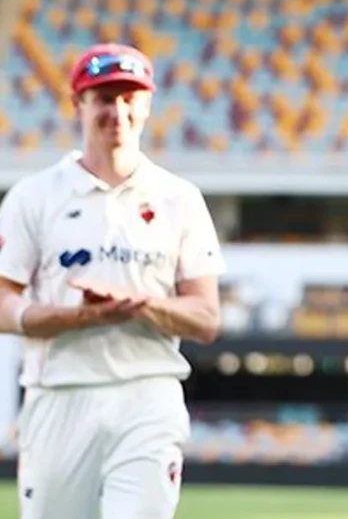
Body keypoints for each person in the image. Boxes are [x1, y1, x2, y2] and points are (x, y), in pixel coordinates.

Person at [0, 43, 225, 519]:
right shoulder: (34, 196)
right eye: (104, 98)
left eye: (129, 97)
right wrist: (72, 318)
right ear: (77, 103)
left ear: (147, 104)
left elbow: (205, 318)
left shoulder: (179, 198)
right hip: (60, 394)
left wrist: (138, 303)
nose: (117, 111)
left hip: (148, 394)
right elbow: (3, 302)